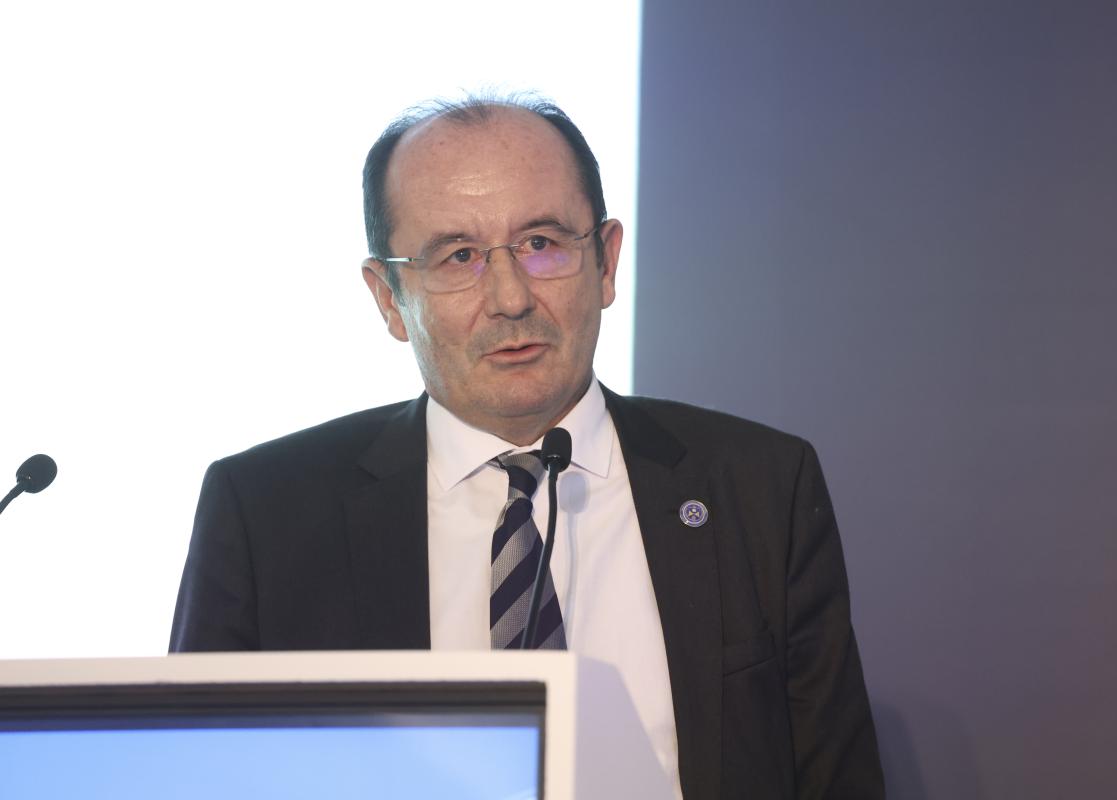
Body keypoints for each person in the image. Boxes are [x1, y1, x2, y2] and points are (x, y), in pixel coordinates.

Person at [170, 95, 884, 799]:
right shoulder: (267, 515)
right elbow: (198, 779)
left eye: (541, 244)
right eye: (459, 256)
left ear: (606, 262)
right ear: (389, 297)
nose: (510, 297)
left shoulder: (758, 487)